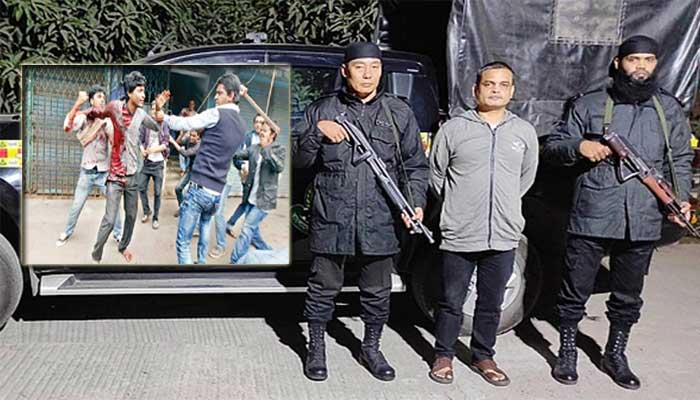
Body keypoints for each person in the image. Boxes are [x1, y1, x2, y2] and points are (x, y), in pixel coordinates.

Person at [542, 35, 693, 390]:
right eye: (633, 59)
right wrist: (581, 146)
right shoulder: (590, 104)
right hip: (593, 212)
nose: (641, 66)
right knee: (575, 290)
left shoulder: (667, 109)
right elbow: (553, 147)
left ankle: (615, 354)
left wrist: (679, 199)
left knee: (628, 295)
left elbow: (679, 158)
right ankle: (567, 351)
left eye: (648, 60)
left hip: (643, 216)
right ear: (617, 63)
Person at [293, 42, 429, 382]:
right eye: (359, 67)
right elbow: (298, 162)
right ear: (345, 71)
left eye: (374, 67)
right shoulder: (322, 109)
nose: (367, 74)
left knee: (377, 290)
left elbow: (414, 165)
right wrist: (316, 132)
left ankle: (371, 348)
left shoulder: (398, 112)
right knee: (323, 287)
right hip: (331, 215)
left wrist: (415, 203)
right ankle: (316, 349)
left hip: (380, 216)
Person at [428, 61, 538, 387]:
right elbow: (437, 176)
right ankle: (444, 354)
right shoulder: (454, 129)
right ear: (476, 89)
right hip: (460, 231)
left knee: (491, 302)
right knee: (451, 299)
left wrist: (503, 206)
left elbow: (525, 178)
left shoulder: (523, 132)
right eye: (489, 84)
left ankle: (483, 355)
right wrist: (460, 206)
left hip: (503, 233)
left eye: (503, 85)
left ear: (512, 91)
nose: (495, 90)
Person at [161, 73, 247, 264]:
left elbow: (185, 123)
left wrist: (163, 117)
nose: (215, 97)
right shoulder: (242, 125)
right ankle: (201, 263)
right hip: (217, 193)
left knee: (183, 243)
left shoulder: (216, 114)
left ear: (231, 95)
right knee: (206, 225)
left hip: (200, 189)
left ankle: (189, 279)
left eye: (220, 93)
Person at [84, 71, 166, 263]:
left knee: (131, 216)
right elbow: (98, 113)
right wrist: (85, 112)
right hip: (115, 177)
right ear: (129, 93)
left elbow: (156, 127)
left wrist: (159, 113)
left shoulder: (142, 114)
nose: (143, 95)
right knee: (110, 220)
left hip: (132, 177)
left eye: (144, 91)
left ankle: (123, 246)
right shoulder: (114, 107)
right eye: (139, 91)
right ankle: (96, 253)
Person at [57, 86, 122, 246]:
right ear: (91, 100)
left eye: (103, 97)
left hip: (103, 172)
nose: (102, 100)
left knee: (114, 203)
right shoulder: (84, 118)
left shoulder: (106, 119)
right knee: (76, 205)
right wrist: (78, 103)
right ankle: (67, 231)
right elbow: (68, 126)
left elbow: (115, 141)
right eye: (99, 97)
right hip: (86, 172)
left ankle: (118, 234)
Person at [229, 120, 285, 263]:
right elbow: (237, 155)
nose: (260, 132)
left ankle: (235, 262)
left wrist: (266, 149)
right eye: (261, 130)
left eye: (264, 131)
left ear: (272, 135)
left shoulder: (279, 149)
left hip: (265, 199)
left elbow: (278, 167)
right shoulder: (254, 148)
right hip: (251, 197)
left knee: (247, 229)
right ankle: (269, 253)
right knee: (253, 232)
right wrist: (242, 165)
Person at [225, 113, 264, 237]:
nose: (258, 125)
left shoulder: (265, 139)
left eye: (261, 122)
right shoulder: (247, 138)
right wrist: (243, 166)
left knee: (249, 203)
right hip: (248, 176)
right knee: (249, 203)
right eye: (256, 122)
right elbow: (237, 156)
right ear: (253, 123)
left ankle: (233, 225)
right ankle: (247, 232)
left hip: (260, 177)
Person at [138, 100, 170, 230]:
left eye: (156, 109)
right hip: (147, 163)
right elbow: (140, 140)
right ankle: (147, 211)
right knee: (141, 187)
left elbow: (165, 144)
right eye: (152, 109)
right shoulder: (145, 124)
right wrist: (142, 150)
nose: (154, 112)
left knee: (157, 192)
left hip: (159, 164)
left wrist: (153, 150)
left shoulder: (164, 125)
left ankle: (156, 217)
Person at [172, 130, 201, 214]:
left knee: (192, 193)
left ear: (198, 137)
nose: (191, 137)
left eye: (194, 136)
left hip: (199, 172)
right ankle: (182, 208)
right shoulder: (188, 139)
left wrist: (172, 142)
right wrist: (182, 134)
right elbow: (178, 142)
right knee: (178, 188)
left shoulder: (199, 144)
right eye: (190, 135)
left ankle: (192, 212)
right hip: (190, 169)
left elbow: (186, 153)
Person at [176, 99, 198, 175]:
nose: (191, 105)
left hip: (190, 136)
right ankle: (183, 169)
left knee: (189, 153)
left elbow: (197, 124)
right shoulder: (184, 110)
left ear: (194, 105)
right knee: (181, 151)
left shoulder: (196, 114)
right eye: (190, 104)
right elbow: (179, 119)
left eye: (192, 104)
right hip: (183, 134)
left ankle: (186, 169)